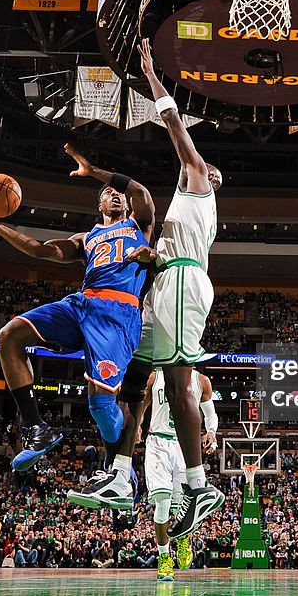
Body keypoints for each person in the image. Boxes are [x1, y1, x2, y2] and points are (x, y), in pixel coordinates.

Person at [71, 38, 224, 535]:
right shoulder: (181, 205)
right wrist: (148, 257)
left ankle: (200, 488)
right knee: (136, 375)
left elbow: (176, 127)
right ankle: (119, 473)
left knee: (179, 379)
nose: (203, 164)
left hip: (183, 282)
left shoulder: (197, 184)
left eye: (207, 165)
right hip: (165, 284)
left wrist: (153, 75)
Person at [0, 144, 155, 473]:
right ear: (98, 203)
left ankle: (118, 466)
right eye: (108, 193)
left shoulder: (139, 226)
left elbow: (139, 190)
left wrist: (93, 171)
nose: (115, 196)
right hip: (83, 303)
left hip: (119, 311)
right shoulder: (87, 238)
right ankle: (36, 429)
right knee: (9, 335)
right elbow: (41, 251)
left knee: (100, 405)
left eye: (118, 193)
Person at [141, 369, 217, 581]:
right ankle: (164, 558)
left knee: (182, 505)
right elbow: (143, 403)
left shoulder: (201, 380)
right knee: (163, 502)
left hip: (186, 444)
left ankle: (183, 538)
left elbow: (210, 413)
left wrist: (211, 432)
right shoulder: (155, 376)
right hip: (157, 442)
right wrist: (137, 424)